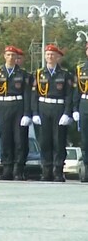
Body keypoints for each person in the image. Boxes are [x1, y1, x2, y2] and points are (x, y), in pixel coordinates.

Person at [0, 45, 33, 181]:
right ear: (4, 56)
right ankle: (7, 168)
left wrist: (27, 113)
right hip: (2, 105)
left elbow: (27, 94)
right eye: (8, 55)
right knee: (5, 138)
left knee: (19, 139)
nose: (11, 58)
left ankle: (18, 169)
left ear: (16, 58)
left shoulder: (23, 74)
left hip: (18, 105)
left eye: (13, 55)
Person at [31, 44, 73, 182]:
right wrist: (35, 112)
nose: (49, 57)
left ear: (58, 57)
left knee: (59, 142)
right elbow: (34, 95)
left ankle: (58, 171)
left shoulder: (65, 74)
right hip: (43, 108)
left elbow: (68, 95)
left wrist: (67, 113)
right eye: (47, 54)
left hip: (59, 109)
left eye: (52, 55)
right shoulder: (38, 74)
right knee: (45, 141)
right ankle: (46, 171)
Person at [74, 43, 88, 182]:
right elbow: (76, 91)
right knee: (85, 139)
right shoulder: (80, 69)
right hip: (85, 104)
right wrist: (75, 109)